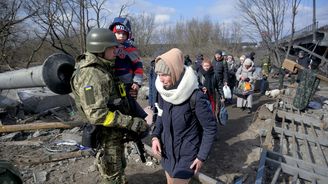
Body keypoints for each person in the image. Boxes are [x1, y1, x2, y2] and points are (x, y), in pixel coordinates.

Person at [70, 28, 149, 183]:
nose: (116, 51)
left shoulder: (104, 67)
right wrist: (131, 123)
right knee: (113, 175)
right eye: (112, 48)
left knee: (119, 168)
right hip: (106, 134)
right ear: (100, 49)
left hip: (113, 131)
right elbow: (97, 114)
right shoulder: (91, 75)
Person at [151, 48, 217, 184]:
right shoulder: (164, 92)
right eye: (158, 74)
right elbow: (160, 116)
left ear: (175, 72)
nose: (161, 79)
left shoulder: (195, 96)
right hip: (167, 152)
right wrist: (155, 136)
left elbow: (210, 128)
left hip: (187, 156)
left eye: (165, 74)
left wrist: (201, 156)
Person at [109, 17, 143, 99]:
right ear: (112, 33)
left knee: (129, 104)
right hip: (111, 83)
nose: (121, 36)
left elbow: (138, 66)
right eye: (118, 33)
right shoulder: (108, 47)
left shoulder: (130, 49)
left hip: (128, 84)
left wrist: (137, 82)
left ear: (128, 35)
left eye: (124, 34)